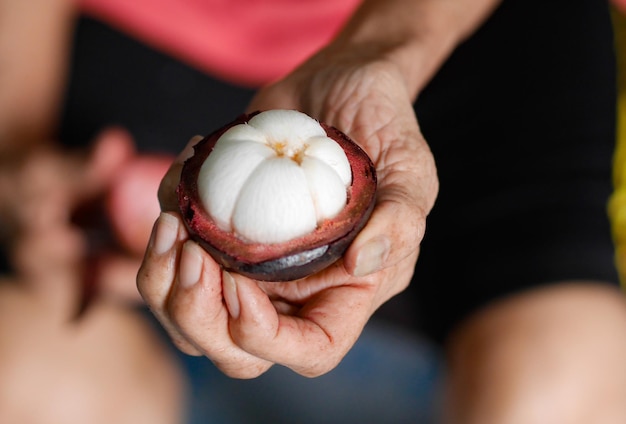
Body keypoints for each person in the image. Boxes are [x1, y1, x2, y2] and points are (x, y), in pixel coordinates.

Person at [1, 1, 626, 424]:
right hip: (139, 33)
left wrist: (378, 48)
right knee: (30, 377)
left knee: (563, 379)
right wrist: (17, 152)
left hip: (459, 26)